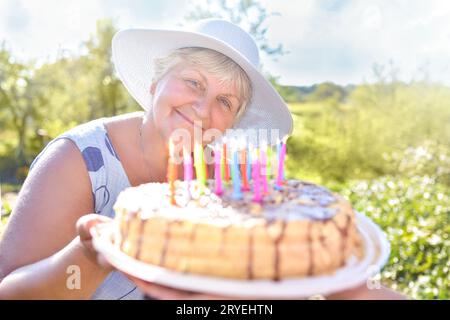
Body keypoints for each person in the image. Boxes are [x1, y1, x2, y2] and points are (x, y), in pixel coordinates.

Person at [0, 19, 405, 300]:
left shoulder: (236, 182)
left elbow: (283, 286)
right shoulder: (79, 161)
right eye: (193, 81)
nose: (201, 108)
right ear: (157, 82)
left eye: (224, 101)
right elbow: (10, 292)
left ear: (233, 122)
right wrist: (91, 254)